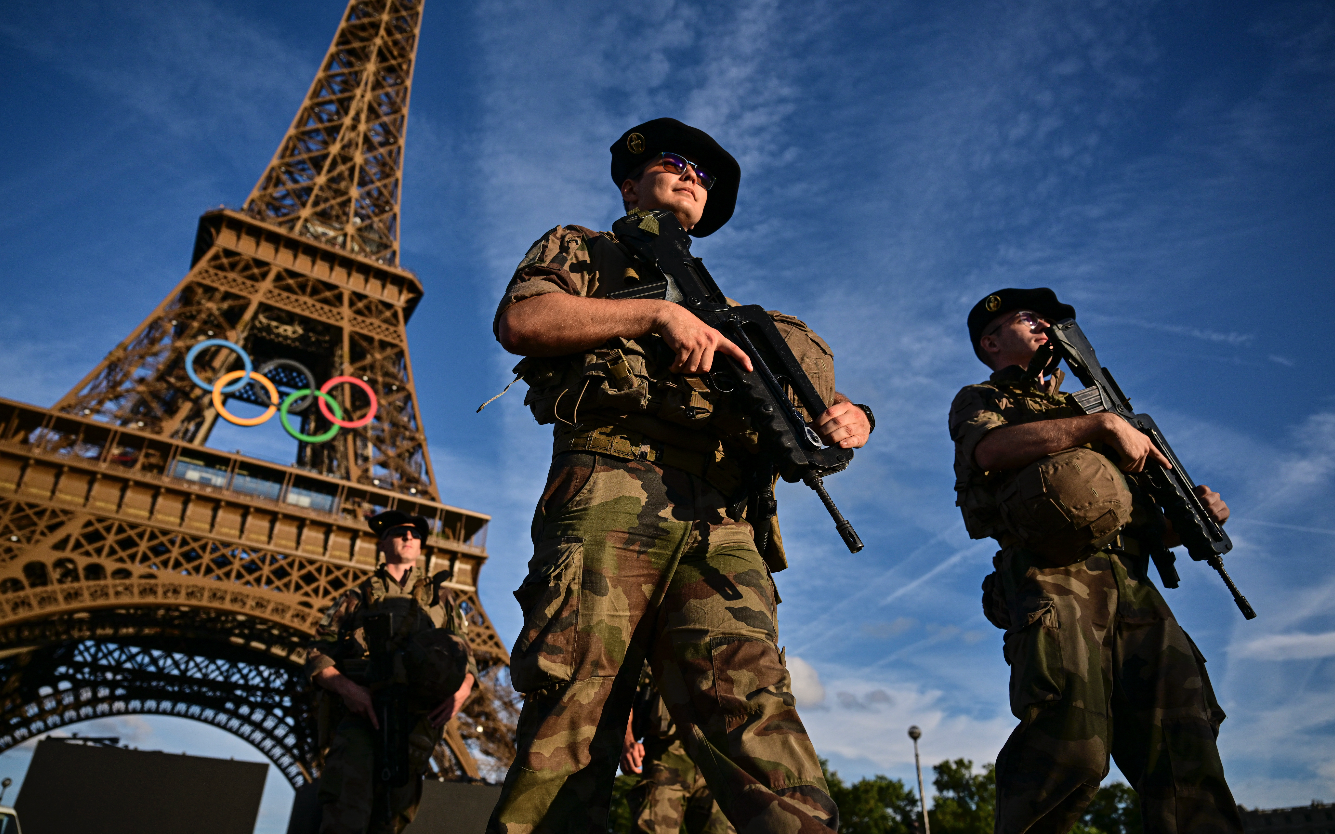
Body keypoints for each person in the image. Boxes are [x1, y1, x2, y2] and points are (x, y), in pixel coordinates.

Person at [486, 117, 872, 834]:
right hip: (611, 483)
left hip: (724, 518)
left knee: (754, 707)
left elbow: (811, 400)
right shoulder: (586, 248)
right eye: (674, 163)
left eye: (707, 174)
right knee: (576, 712)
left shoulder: (728, 309)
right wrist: (653, 315)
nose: (694, 175)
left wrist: (853, 416)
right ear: (630, 182)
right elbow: (524, 319)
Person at [949, 288, 1244, 834]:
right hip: (1055, 576)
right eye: (1026, 318)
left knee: (1187, 753)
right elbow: (988, 452)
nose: (1043, 325)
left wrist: (1196, 516)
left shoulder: (1102, 403)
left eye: (1047, 319)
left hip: (1134, 584)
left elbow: (1143, 516)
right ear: (990, 342)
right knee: (1068, 752)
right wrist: (1096, 428)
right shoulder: (985, 397)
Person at [306, 510, 478, 834]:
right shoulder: (357, 597)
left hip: (415, 720)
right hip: (362, 712)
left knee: (392, 819)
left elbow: (466, 652)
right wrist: (347, 689)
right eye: (400, 531)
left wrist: (463, 688)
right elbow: (317, 651)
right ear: (383, 542)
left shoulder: (442, 598)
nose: (409, 537)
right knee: (345, 812)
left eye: (416, 534)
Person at [621, 665, 734, 834]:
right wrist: (627, 742)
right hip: (665, 756)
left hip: (717, 759)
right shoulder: (654, 649)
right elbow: (624, 697)